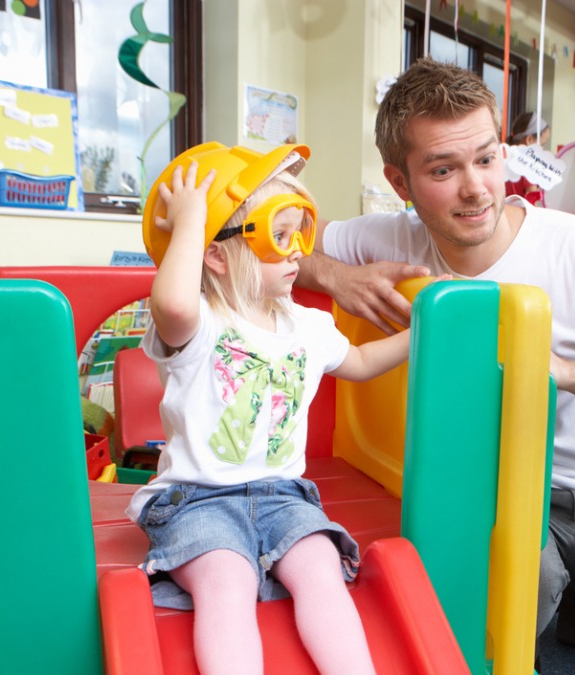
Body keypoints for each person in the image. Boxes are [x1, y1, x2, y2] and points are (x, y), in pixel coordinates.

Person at [299, 57, 575, 675]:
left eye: (486, 159)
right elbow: (252, 240)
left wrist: (560, 372)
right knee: (502, 625)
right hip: (466, 495)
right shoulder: (389, 238)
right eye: (443, 169)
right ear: (400, 181)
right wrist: (335, 273)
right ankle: (556, 601)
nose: (476, 188)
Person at [128, 141, 412, 675]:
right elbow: (172, 301)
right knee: (226, 579)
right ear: (215, 253)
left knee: (321, 566)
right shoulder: (200, 325)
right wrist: (192, 220)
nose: (297, 251)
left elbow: (360, 359)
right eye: (277, 236)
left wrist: (421, 335)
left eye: (300, 231)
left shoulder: (307, 325)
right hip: (197, 502)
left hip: (284, 497)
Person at [505, 110, 551, 206]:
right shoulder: (528, 166)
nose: (542, 149)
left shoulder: (504, 159)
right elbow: (532, 202)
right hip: (520, 218)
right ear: (529, 139)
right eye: (542, 144)